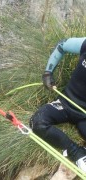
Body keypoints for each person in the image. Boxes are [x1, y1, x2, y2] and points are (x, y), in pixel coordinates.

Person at [30, 37, 86, 172]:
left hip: (84, 116)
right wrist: (48, 73)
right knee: (37, 122)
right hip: (65, 103)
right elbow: (62, 45)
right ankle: (77, 153)